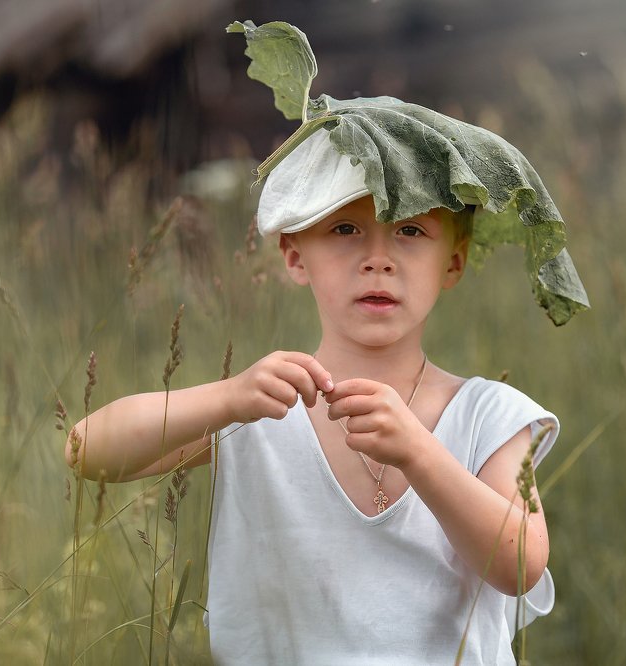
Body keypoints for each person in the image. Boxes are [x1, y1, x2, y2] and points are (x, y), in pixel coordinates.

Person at [66, 126, 564, 664]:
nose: (378, 259)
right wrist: (227, 397)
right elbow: (86, 450)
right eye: (346, 228)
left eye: (411, 231)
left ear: (453, 262)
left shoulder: (489, 415)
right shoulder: (261, 407)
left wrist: (420, 453)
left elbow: (520, 565)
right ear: (295, 256)